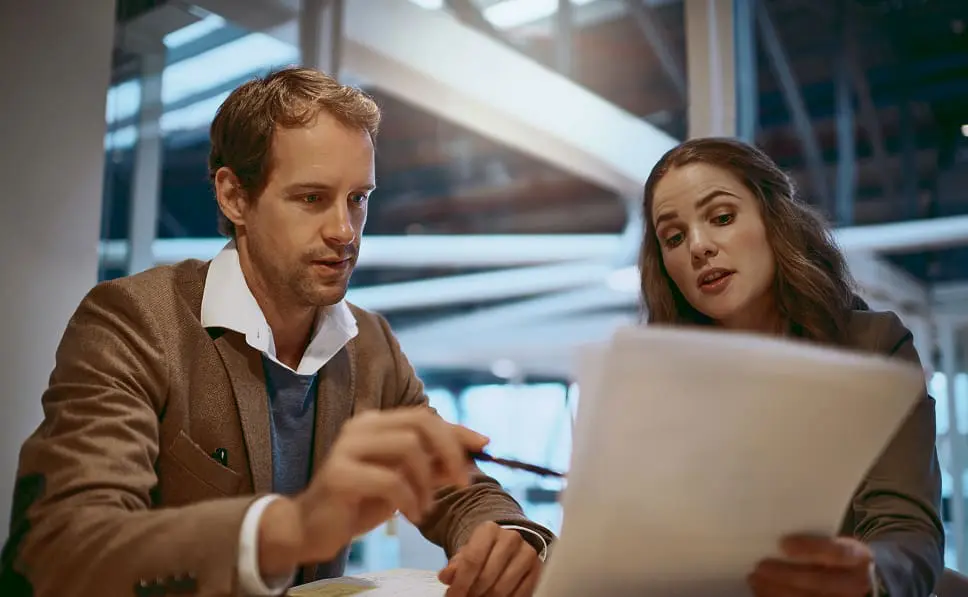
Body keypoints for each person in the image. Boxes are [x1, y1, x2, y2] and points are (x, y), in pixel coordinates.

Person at [0, 67, 552, 597]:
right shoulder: (135, 321)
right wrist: (290, 527)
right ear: (234, 197)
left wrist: (510, 537)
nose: (344, 231)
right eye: (312, 198)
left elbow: (455, 490)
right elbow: (57, 548)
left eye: (358, 199)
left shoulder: (371, 343)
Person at [638, 137, 943, 597]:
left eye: (721, 218)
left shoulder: (871, 346)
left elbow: (907, 531)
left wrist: (870, 575)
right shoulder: (657, 383)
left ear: (772, 220)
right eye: (674, 238)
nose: (698, 247)